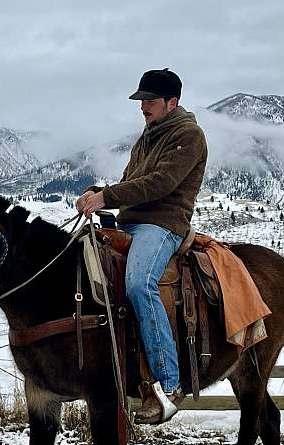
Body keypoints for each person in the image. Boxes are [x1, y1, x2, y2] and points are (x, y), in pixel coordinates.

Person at [76, 69, 208, 423]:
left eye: (149, 101)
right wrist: (99, 193)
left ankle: (166, 383)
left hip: (163, 224)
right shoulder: (149, 136)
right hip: (131, 221)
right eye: (141, 101)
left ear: (172, 102)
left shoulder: (189, 135)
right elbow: (131, 182)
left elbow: (160, 184)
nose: (143, 107)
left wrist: (107, 197)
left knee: (138, 283)